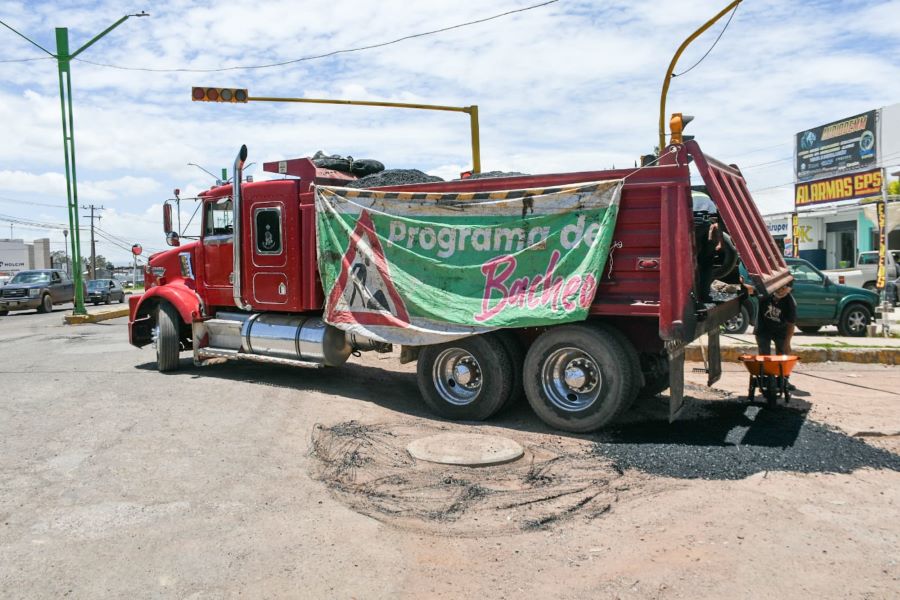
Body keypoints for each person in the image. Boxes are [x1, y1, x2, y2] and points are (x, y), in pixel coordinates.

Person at [754, 283, 797, 356]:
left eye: (784, 288)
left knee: (782, 354)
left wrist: (787, 344)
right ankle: (764, 367)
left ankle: (779, 366)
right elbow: (750, 290)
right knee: (764, 355)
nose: (780, 290)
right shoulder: (765, 293)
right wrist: (739, 285)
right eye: (779, 287)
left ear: (788, 290)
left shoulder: (790, 303)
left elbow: (791, 325)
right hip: (763, 328)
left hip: (780, 330)